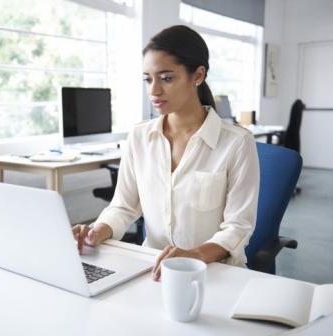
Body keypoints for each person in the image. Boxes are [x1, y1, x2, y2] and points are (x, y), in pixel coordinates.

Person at [72, 25, 259, 281]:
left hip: (215, 273)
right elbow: (124, 206)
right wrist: (97, 231)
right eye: (148, 79)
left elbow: (238, 227)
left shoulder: (237, 143)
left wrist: (195, 254)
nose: (154, 90)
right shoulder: (139, 137)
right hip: (151, 270)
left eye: (167, 78)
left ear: (198, 75)